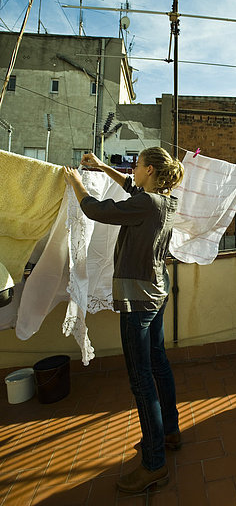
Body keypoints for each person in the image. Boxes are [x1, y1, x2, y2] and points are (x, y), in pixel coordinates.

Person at [64, 147, 184, 494]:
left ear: (148, 168)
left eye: (137, 165)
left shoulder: (146, 205)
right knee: (158, 363)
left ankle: (154, 464)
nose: (133, 169)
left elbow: (98, 210)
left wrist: (76, 182)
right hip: (156, 292)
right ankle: (170, 431)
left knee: (140, 379)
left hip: (137, 300)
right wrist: (102, 168)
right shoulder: (164, 200)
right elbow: (133, 189)